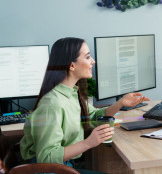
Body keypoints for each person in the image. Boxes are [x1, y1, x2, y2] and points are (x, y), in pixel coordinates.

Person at [20, 37, 150, 166]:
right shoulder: (52, 104)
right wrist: (89, 142)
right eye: (87, 57)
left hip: (64, 165)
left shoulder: (70, 93)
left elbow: (94, 116)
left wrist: (121, 103)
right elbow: (46, 157)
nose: (93, 61)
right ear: (72, 65)